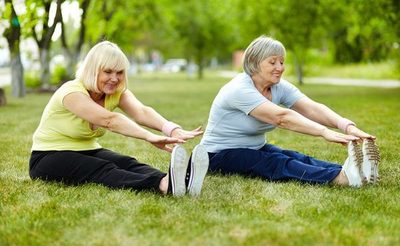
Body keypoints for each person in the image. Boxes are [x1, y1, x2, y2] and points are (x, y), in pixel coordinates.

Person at [29, 41, 209, 197]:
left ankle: (175, 180)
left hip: (86, 149)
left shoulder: (115, 92)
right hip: (48, 157)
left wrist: (171, 129)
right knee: (103, 169)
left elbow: (141, 111)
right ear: (93, 71)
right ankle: (162, 185)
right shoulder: (71, 92)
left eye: (119, 72)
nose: (114, 78)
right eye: (108, 72)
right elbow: (109, 120)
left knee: (127, 162)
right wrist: (148, 136)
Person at [200, 35, 380, 188]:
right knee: (276, 163)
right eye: (273, 62)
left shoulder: (278, 86)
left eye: (281, 62)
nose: (280, 67)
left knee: (294, 157)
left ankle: (352, 172)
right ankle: (340, 178)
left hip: (253, 147)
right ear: (254, 63)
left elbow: (311, 108)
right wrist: (324, 132)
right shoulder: (239, 89)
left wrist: (347, 126)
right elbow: (282, 118)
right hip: (216, 156)